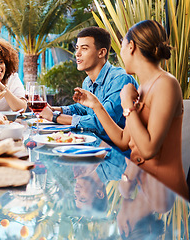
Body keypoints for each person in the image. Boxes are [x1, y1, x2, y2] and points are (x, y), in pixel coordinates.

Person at [73, 20, 189, 200]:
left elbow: (148, 149)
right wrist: (96, 104)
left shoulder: (166, 84)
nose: (120, 53)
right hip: (143, 187)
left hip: (165, 193)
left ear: (131, 47)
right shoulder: (142, 88)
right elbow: (122, 140)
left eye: (122, 46)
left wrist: (128, 104)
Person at [40, 27, 138, 144]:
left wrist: (55, 117)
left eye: (84, 48)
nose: (77, 54)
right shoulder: (87, 81)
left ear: (101, 52)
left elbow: (102, 123)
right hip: (97, 146)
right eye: (77, 48)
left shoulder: (120, 80)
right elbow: (82, 109)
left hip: (120, 153)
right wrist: (55, 109)